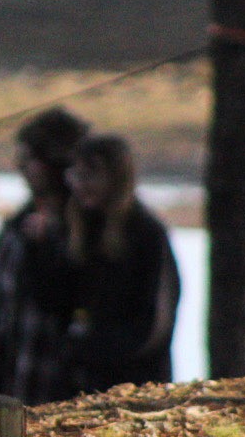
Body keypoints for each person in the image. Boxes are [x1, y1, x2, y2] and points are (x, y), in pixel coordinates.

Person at [0, 108, 88, 402]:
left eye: (28, 159)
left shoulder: (87, 234)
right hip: (1, 389)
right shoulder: (16, 227)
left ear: (55, 163)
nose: (20, 167)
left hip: (53, 391)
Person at [58, 134, 180, 396]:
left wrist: (95, 350)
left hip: (136, 381)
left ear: (116, 178)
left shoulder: (147, 234)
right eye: (76, 175)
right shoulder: (81, 228)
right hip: (84, 377)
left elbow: (153, 323)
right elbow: (59, 298)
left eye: (90, 176)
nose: (80, 185)